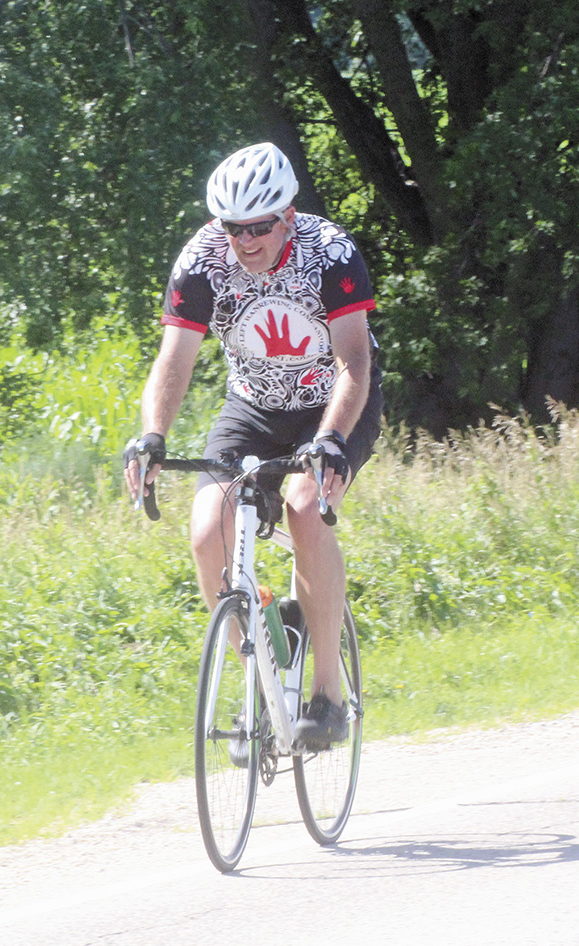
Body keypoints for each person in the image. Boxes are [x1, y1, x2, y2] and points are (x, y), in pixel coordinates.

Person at [124, 142, 383, 750]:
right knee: (205, 530)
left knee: (302, 506)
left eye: (258, 227)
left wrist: (332, 442)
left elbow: (354, 360)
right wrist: (153, 436)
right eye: (234, 227)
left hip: (333, 400)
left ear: (287, 217)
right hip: (254, 404)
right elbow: (174, 360)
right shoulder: (204, 260)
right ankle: (257, 695)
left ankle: (326, 697)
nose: (244, 241)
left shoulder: (330, 253)